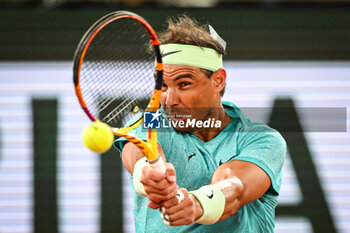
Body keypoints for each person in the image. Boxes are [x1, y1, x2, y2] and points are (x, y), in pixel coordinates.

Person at [115, 15, 286, 233]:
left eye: (184, 84)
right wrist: (147, 175)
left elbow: (235, 186)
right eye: (163, 86)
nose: (169, 100)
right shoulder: (152, 119)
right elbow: (138, 153)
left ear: (218, 81)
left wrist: (196, 204)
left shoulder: (263, 139)